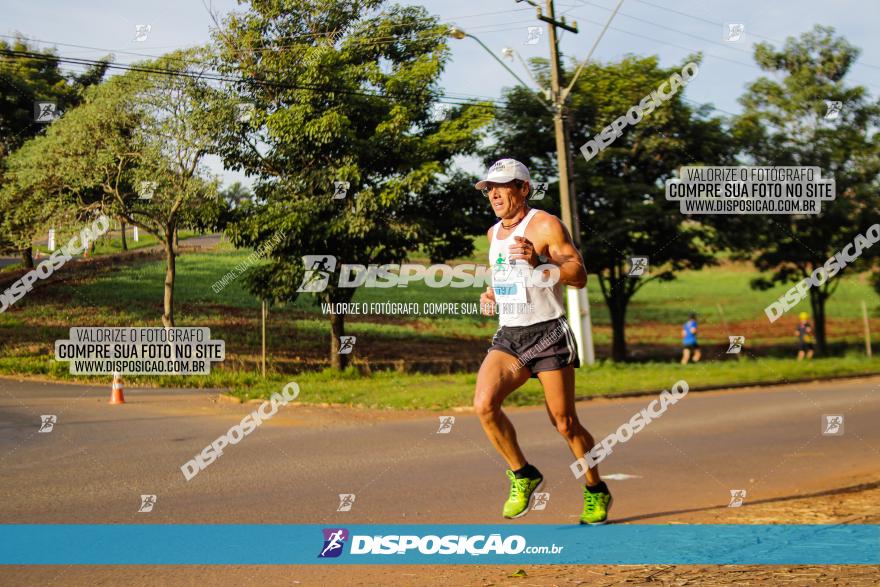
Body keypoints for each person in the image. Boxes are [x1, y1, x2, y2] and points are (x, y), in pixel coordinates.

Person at [473, 158, 611, 525]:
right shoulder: (492, 234)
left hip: (549, 332)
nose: (494, 194)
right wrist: (492, 293)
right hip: (511, 335)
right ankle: (523, 474)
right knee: (484, 405)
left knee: (565, 423)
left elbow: (578, 275)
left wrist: (539, 263)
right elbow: (505, 277)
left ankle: (596, 489)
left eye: (503, 187)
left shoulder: (546, 224)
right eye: (489, 188)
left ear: (524, 189)